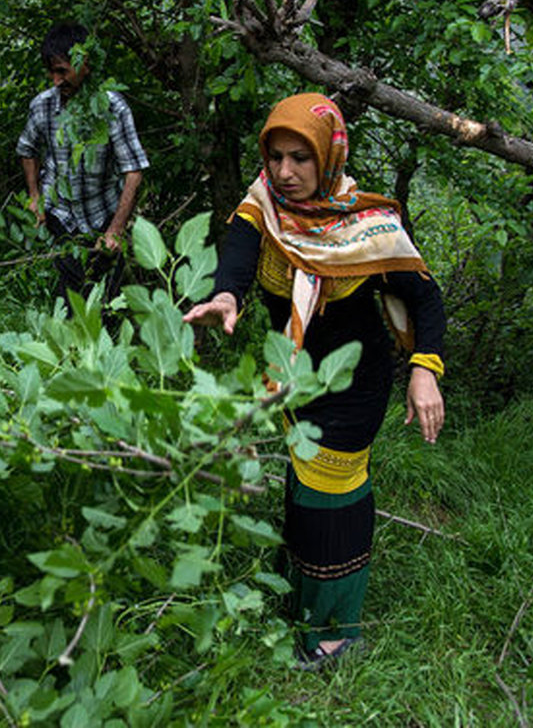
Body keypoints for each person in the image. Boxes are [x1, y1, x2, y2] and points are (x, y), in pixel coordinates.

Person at [183, 93, 446, 670]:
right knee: (303, 485)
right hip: (294, 377)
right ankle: (299, 594)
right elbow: (238, 256)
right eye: (276, 156)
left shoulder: (368, 227)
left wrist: (425, 372)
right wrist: (225, 294)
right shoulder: (264, 206)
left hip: (356, 383)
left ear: (327, 156)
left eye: (300, 158)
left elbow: (425, 298)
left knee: (334, 499)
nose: (284, 172)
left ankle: (334, 631)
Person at [16, 22, 149, 308]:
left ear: (85, 64)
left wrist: (115, 229)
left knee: (108, 301)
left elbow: (133, 171)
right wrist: (35, 196)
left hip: (103, 212)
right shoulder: (42, 106)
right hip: (62, 215)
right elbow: (27, 148)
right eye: (51, 72)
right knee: (71, 300)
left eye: (62, 71)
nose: (55, 80)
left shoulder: (112, 108)